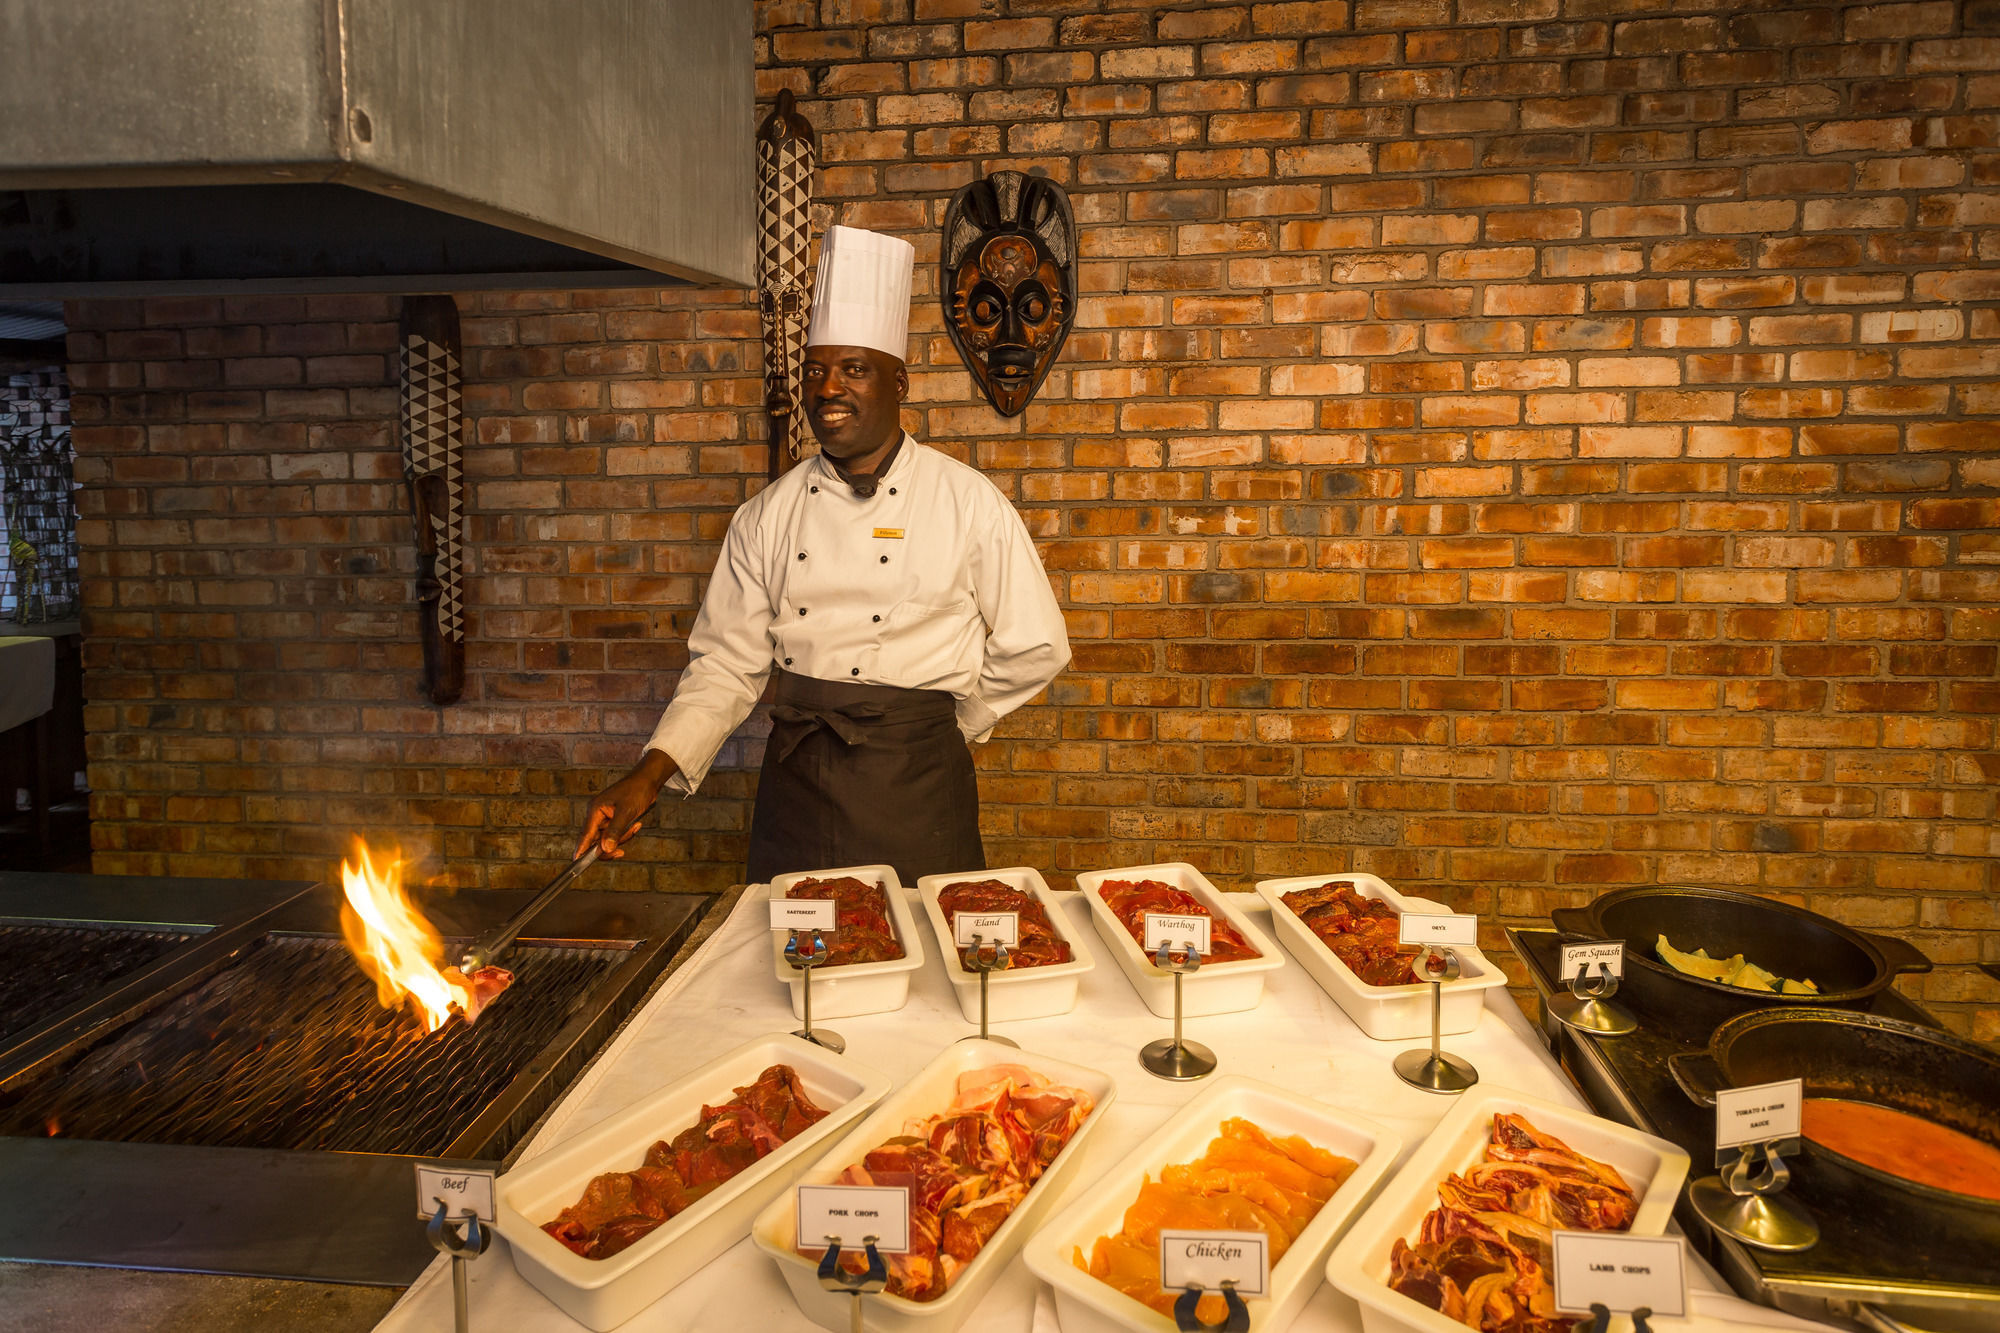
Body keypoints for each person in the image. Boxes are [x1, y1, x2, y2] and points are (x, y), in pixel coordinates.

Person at [577, 224, 1071, 883]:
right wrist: (648, 774)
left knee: (924, 967)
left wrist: (943, 722)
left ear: (900, 382)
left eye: (854, 369)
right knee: (793, 964)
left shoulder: (967, 502)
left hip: (917, 787)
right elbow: (726, 666)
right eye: (816, 370)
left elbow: (1036, 644)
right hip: (797, 791)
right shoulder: (767, 516)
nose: (828, 388)